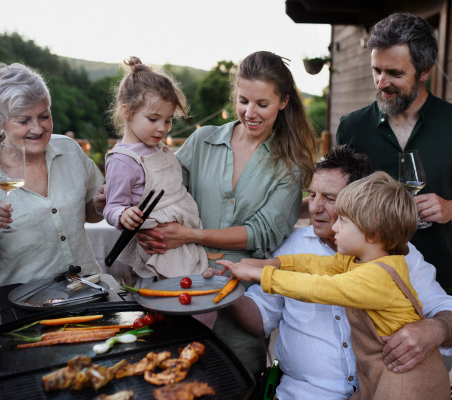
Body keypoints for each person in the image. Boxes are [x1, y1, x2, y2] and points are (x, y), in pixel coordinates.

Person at [227, 146, 452, 400]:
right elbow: (270, 308)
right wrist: (232, 284)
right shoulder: (295, 243)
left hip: (387, 389)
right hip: (303, 395)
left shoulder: (398, 257)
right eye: (312, 194)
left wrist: (434, 329)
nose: (315, 207)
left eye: (330, 199)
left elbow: (449, 313)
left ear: (363, 203)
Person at [131, 51, 317, 375]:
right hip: (182, 287)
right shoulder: (203, 140)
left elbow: (263, 232)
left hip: (242, 298)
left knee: (235, 379)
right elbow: (165, 189)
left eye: (262, 104)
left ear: (284, 102)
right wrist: (126, 198)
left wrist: (191, 235)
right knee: (173, 379)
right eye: (243, 100)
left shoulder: (289, 163)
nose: (250, 112)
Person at [336, 12, 452, 290]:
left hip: (435, 270)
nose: (381, 83)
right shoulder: (351, 126)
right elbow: (335, 193)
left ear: (425, 71)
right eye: (376, 70)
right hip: (363, 274)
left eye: (395, 73)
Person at [0, 63, 104, 347]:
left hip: (80, 293)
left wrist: (100, 203)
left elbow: (90, 213)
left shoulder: (70, 151)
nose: (37, 128)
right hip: (10, 310)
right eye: (23, 120)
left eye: (44, 116)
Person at [104, 57, 207, 279]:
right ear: (127, 112)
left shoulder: (158, 148)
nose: (162, 128)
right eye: (153, 119)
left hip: (186, 235)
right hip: (160, 246)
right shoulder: (123, 160)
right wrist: (123, 214)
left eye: (168, 120)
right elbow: (112, 206)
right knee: (174, 300)